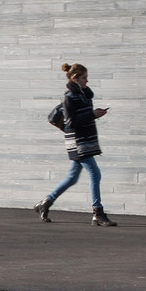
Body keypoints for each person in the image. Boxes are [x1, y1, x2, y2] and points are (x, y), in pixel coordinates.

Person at [33, 61, 116, 226]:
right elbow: (71, 121)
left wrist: (93, 112)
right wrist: (93, 114)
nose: (87, 81)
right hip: (79, 142)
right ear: (75, 78)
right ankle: (97, 213)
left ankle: (46, 203)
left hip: (86, 140)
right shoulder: (69, 96)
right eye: (84, 78)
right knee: (95, 173)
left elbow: (83, 113)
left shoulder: (82, 95)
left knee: (72, 177)